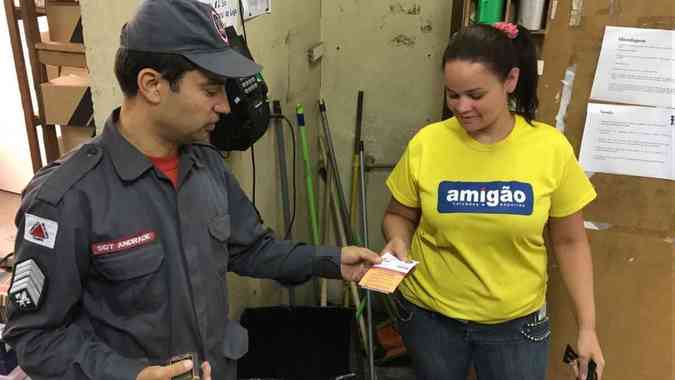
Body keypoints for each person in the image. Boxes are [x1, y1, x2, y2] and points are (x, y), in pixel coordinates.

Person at [3, 1, 385, 379]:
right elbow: (35, 338)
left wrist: (332, 261)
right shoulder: (65, 199)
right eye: (210, 89)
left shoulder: (205, 163)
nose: (223, 105)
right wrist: (128, 374)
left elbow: (251, 249)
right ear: (152, 85)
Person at [381, 23, 605, 380]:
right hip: (430, 318)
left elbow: (570, 241)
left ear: (510, 80)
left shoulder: (549, 149)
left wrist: (587, 328)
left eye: (475, 94)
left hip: (515, 327)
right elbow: (398, 214)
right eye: (453, 96)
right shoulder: (428, 143)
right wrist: (398, 240)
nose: (462, 107)